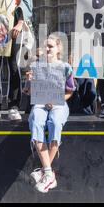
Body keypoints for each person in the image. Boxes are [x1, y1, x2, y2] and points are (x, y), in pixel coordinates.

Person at [27, 35, 75, 193]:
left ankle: (43, 171)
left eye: (51, 46)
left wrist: (57, 100)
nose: (47, 49)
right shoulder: (35, 66)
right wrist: (29, 82)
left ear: (58, 49)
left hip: (59, 103)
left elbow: (70, 91)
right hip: (40, 103)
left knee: (54, 122)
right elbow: (29, 92)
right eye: (45, 46)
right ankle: (48, 173)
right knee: (36, 121)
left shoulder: (66, 67)